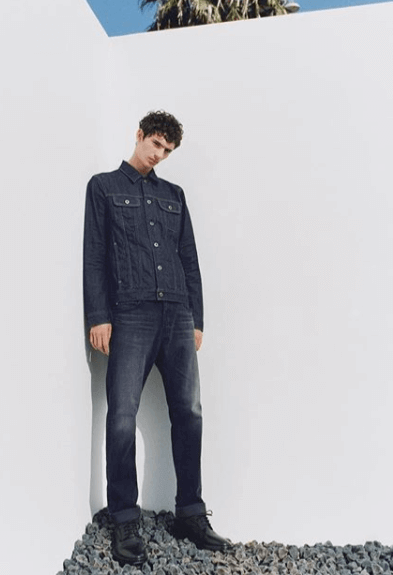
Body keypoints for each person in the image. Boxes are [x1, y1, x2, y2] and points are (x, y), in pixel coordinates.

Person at [83, 111, 231, 566]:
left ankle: (191, 513)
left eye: (167, 151)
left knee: (189, 412)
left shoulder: (174, 196)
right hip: (131, 314)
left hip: (177, 313)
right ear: (140, 135)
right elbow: (94, 255)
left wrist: (196, 319)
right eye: (156, 145)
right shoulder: (104, 187)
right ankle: (125, 519)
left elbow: (189, 258)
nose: (159, 155)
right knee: (121, 415)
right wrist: (99, 315)